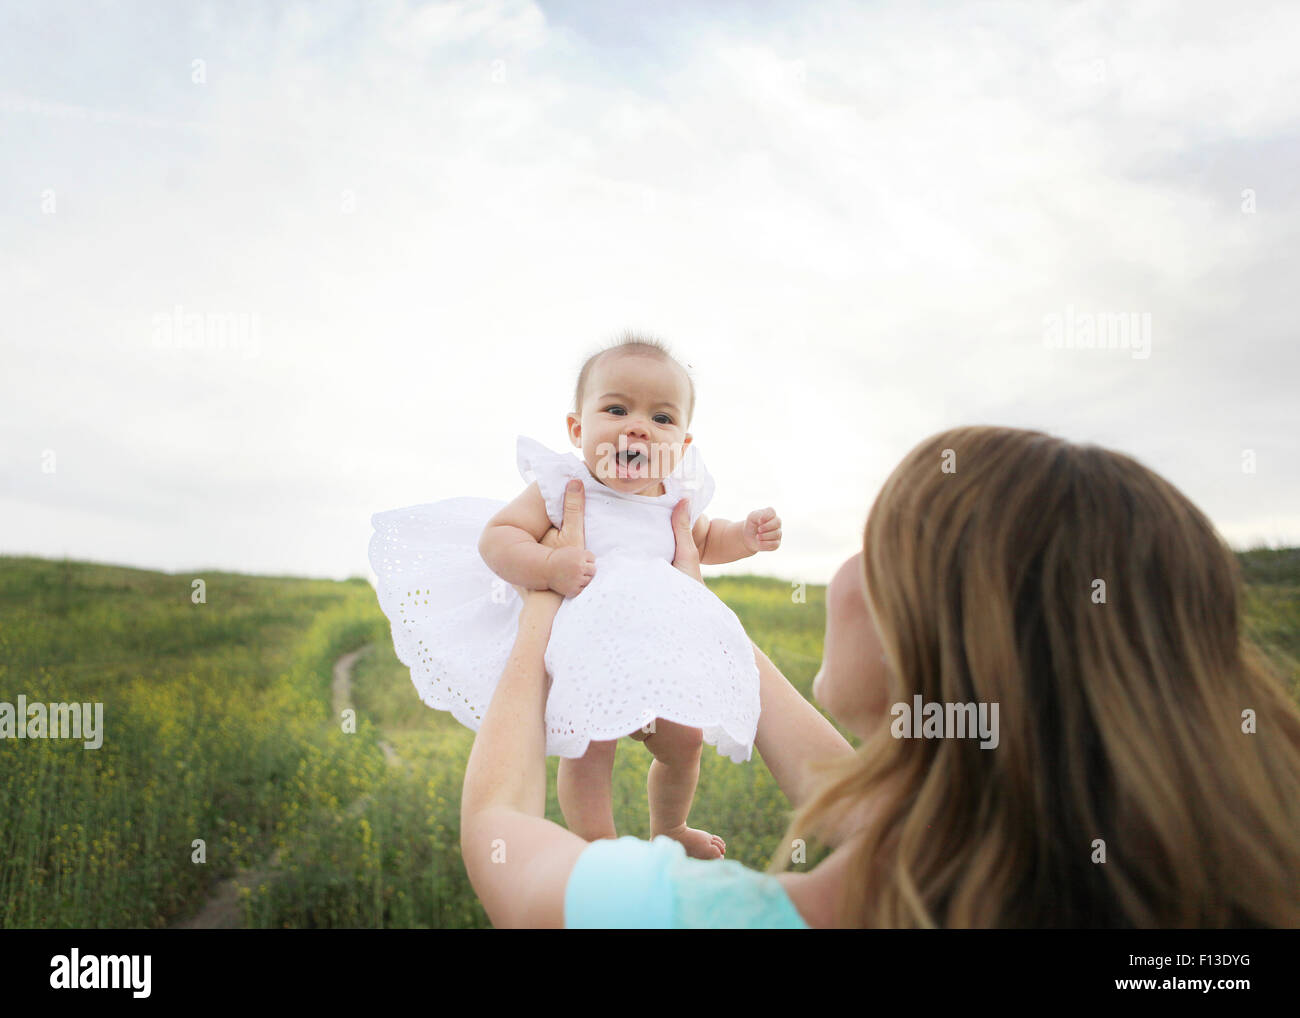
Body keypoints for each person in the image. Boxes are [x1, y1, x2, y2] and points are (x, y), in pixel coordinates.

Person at [460, 425, 1300, 928]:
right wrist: (675, 608)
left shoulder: (688, 914)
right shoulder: (1078, 888)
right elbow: (858, 798)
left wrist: (546, 600)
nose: (849, 566)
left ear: (931, 628)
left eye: (882, 537)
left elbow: (495, 826)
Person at [369, 333, 782, 860]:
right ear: (577, 428)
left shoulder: (674, 497)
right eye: (617, 408)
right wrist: (547, 564)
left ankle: (671, 827)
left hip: (660, 653)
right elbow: (498, 537)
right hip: (589, 652)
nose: (638, 426)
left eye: (661, 418)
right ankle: (597, 845)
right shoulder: (566, 486)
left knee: (685, 743)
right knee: (589, 750)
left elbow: (703, 542)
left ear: (682, 446)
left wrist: (744, 537)